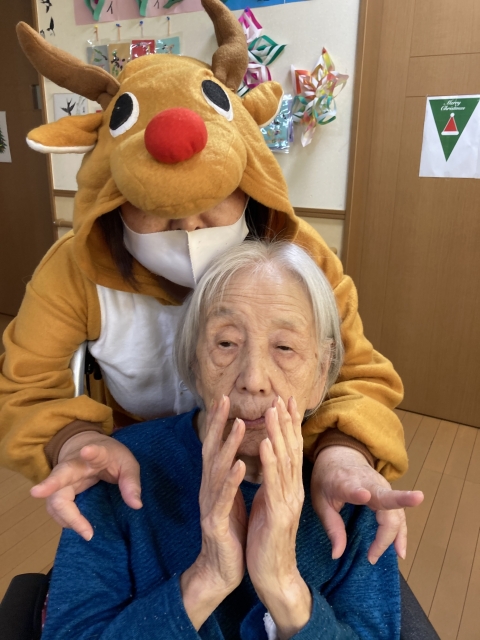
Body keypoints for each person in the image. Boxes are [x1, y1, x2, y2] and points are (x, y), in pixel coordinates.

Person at [1, 0, 411, 561]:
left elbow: (358, 372)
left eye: (214, 201)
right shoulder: (73, 270)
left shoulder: (301, 257)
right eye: (159, 211)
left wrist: (342, 449)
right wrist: (76, 441)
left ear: (249, 182)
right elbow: (27, 388)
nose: (190, 228)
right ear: (115, 199)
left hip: (281, 460)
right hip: (141, 467)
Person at [41, 241, 409, 640]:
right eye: (226, 343)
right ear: (194, 362)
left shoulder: (350, 492)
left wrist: (285, 588)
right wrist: (207, 577)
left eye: (285, 347)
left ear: (321, 374)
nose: (253, 378)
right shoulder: (119, 475)